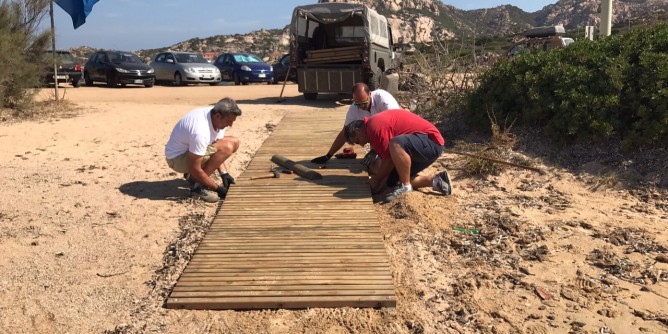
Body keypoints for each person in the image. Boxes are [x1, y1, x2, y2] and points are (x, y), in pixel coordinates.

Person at [343, 109, 452, 202]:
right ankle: (436, 181)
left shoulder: (374, 127)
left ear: (358, 131)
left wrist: (376, 180)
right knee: (392, 179)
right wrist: (377, 185)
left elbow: (388, 159)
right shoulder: (372, 132)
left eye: (358, 141)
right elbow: (386, 163)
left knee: (395, 143)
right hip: (421, 147)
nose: (361, 144)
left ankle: (406, 186)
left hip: (432, 142)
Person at [165, 97, 241, 203]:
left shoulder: (215, 117)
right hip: (177, 159)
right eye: (228, 121)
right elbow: (194, 168)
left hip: (190, 152)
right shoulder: (200, 131)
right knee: (227, 146)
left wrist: (224, 173)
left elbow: (216, 148)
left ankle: (194, 179)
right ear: (218, 116)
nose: (230, 125)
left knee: (234, 142)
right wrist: (217, 189)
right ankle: (197, 187)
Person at [311, 82, 401, 167]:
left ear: (370, 94)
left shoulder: (383, 99)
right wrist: (328, 156)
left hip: (397, 135)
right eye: (358, 104)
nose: (361, 106)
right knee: (374, 165)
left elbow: (395, 126)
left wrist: (375, 150)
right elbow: (344, 133)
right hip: (378, 139)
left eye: (364, 103)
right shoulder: (354, 108)